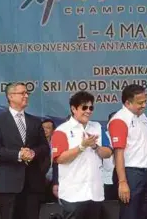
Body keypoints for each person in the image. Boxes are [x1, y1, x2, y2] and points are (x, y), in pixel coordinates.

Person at [0, 82, 50, 219]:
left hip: (33, 184)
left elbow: (45, 147)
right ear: (10, 96)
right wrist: (18, 154)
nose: (26, 96)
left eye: (27, 93)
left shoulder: (35, 121)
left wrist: (33, 153)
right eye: (22, 93)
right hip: (9, 184)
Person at [51, 91, 112, 219]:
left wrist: (95, 146)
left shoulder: (97, 127)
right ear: (73, 109)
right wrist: (82, 146)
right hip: (73, 193)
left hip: (95, 191)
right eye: (84, 107)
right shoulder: (62, 130)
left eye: (91, 108)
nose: (88, 111)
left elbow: (108, 152)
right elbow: (60, 158)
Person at [108, 84, 147, 219]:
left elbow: (145, 146)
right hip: (130, 174)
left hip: (145, 173)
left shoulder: (143, 118)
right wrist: (122, 182)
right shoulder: (119, 120)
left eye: (145, 101)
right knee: (130, 214)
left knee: (145, 214)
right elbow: (118, 152)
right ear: (127, 103)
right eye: (140, 103)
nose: (144, 105)